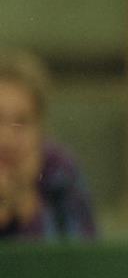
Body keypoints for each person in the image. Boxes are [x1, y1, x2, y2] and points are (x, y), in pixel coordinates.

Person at [0, 48, 97, 240]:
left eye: (22, 122)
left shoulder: (59, 169)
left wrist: (26, 204)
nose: (6, 139)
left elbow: (82, 251)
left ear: (40, 129)